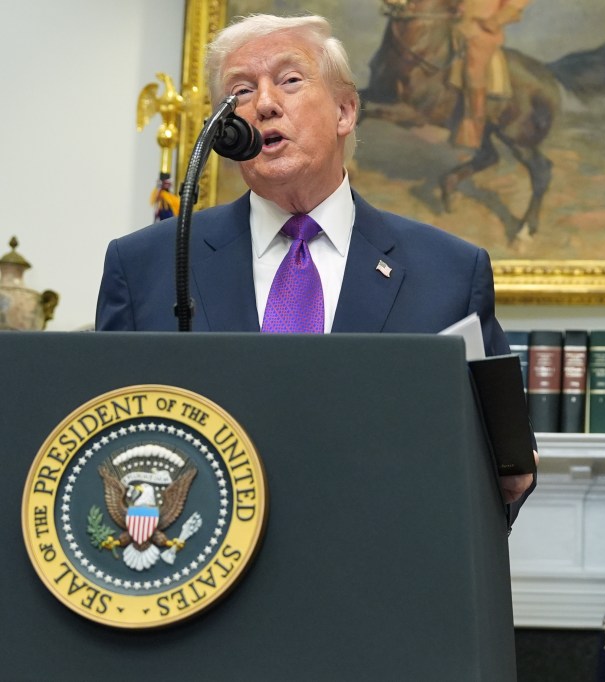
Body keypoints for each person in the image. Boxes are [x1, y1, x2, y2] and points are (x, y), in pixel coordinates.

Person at [95, 13, 534, 522]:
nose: (262, 103)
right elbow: (109, 439)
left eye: (289, 80)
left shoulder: (450, 272)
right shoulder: (146, 264)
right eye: (240, 90)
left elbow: (507, 467)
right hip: (198, 573)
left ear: (345, 110)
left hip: (377, 575)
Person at [452, 0, 531, 148]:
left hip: (481, 30)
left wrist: (493, 21)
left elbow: (516, 4)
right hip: (455, 22)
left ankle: (473, 129)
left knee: (474, 68)